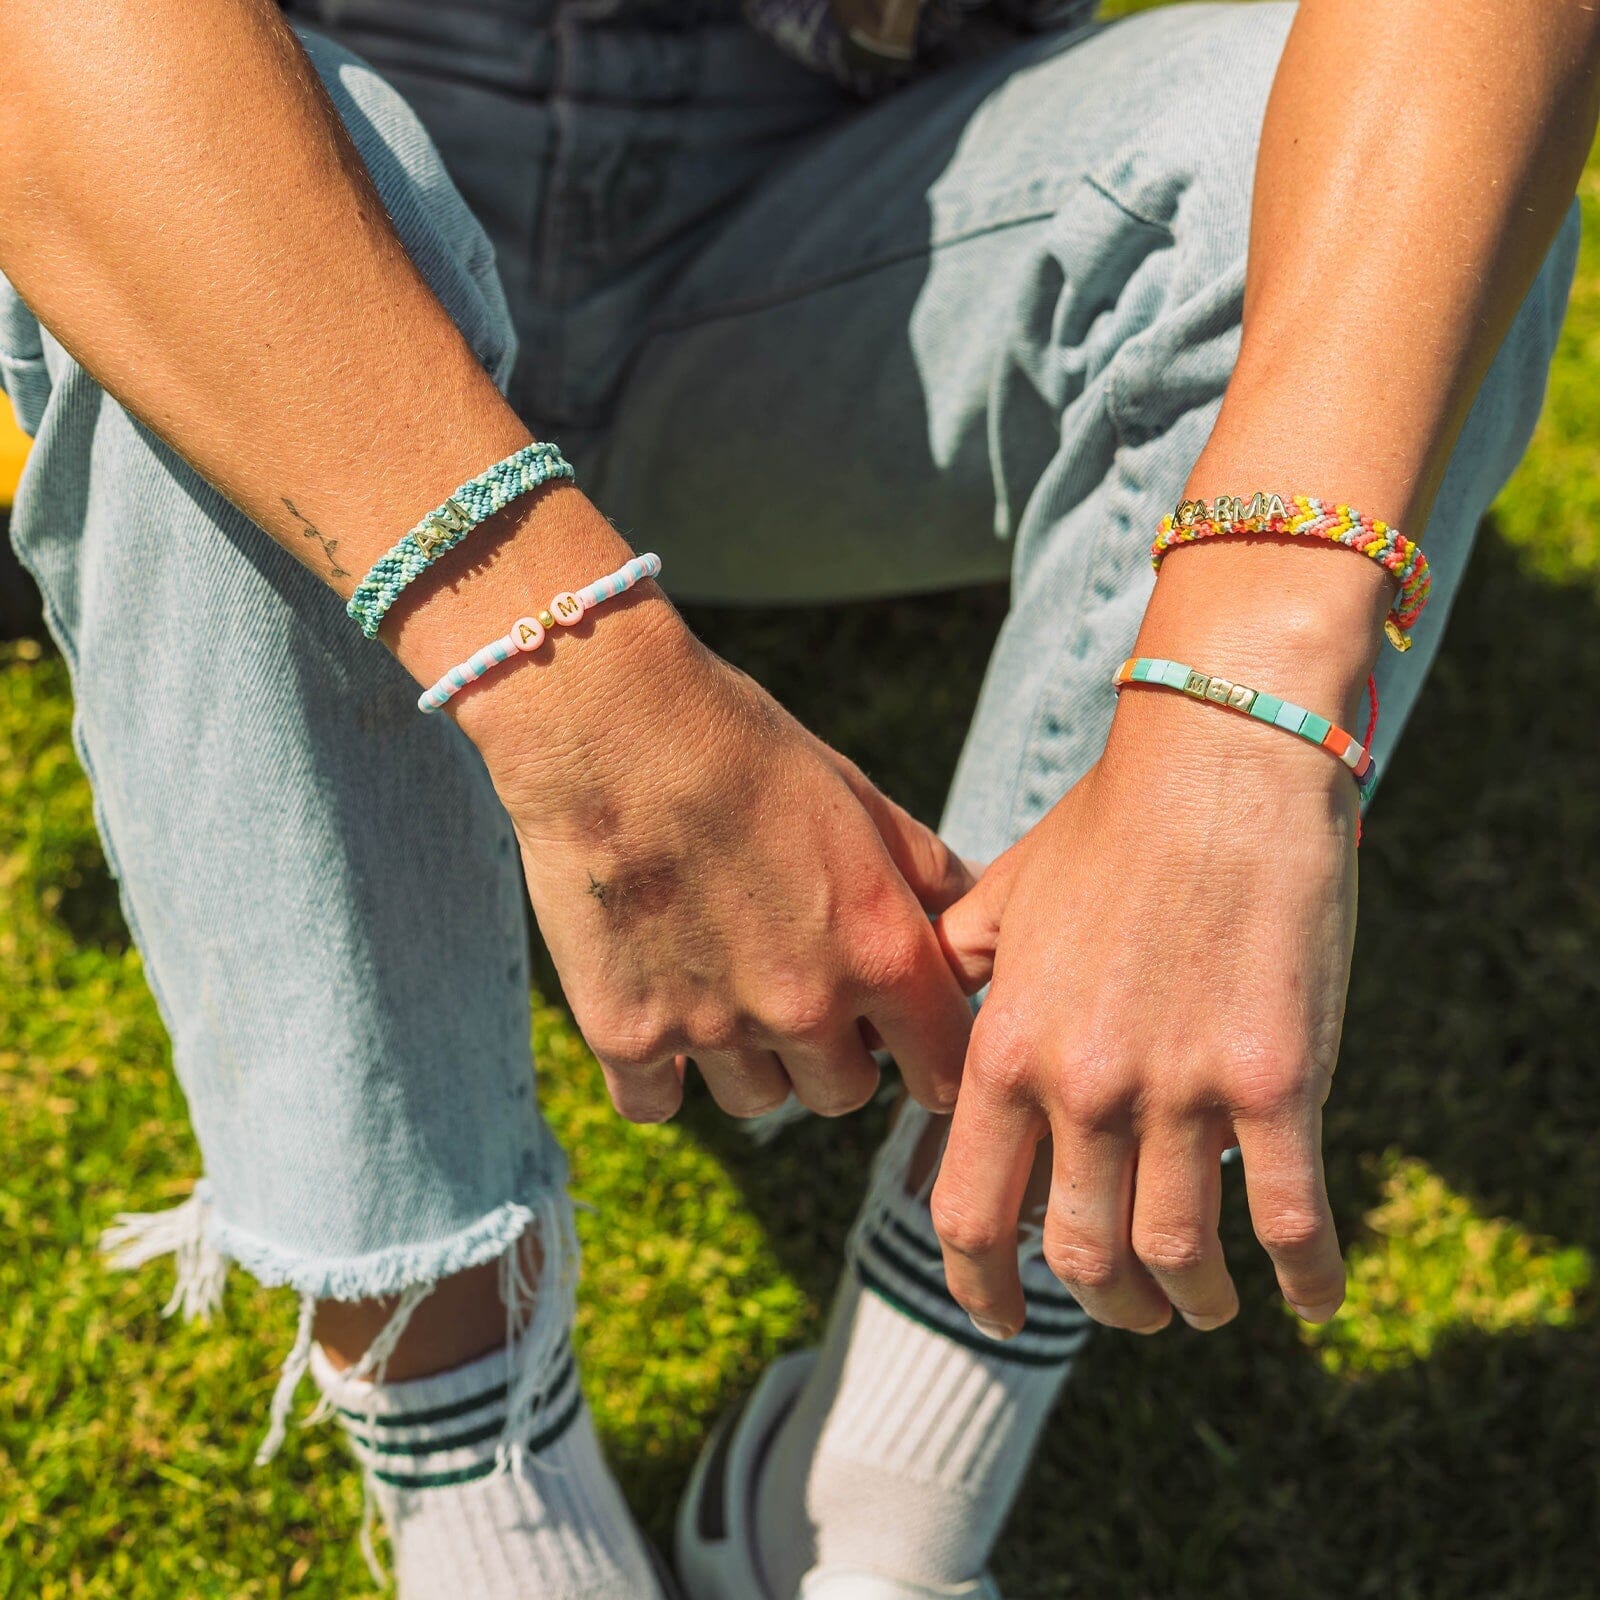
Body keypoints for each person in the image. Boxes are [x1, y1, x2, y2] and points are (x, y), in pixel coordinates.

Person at [2, 0, 1593, 1595]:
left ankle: (892, 1467)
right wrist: (578, 683)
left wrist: (1242, 702)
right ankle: (465, 1443)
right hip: (328, 241)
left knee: (1397, 220)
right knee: (165, 191)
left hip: (829, 219)